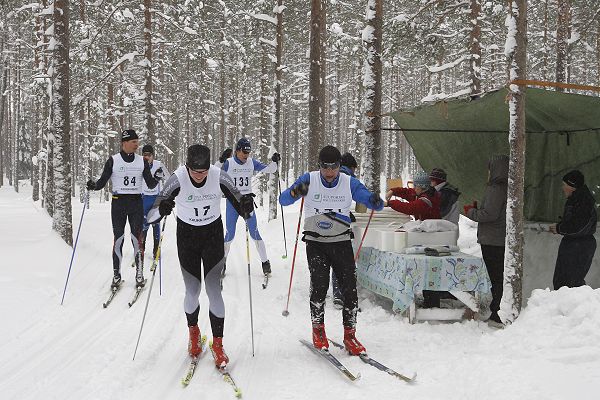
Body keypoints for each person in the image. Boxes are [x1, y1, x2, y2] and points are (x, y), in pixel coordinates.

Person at [146, 144, 254, 366]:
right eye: (195, 172)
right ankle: (193, 334)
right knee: (193, 290)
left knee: (214, 289)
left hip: (212, 234)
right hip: (187, 237)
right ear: (187, 167)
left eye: (204, 172)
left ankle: (218, 344)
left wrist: (246, 206)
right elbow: (151, 217)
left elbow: (242, 205)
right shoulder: (176, 178)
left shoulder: (219, 176)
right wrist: (163, 208)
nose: (200, 176)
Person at [279, 145, 384, 355]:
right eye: (325, 168)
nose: (329, 173)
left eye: (333, 168)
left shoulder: (348, 182)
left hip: (341, 241)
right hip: (316, 243)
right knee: (319, 286)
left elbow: (372, 202)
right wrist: (294, 191)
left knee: (350, 289)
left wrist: (374, 200)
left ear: (339, 166)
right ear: (320, 166)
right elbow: (284, 199)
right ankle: (318, 330)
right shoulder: (310, 179)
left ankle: (350, 335)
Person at [86, 129, 159, 288]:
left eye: (137, 141)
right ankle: (116, 275)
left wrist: (157, 177)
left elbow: (151, 184)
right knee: (118, 239)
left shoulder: (142, 161)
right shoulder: (113, 160)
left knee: (136, 239)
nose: (136, 145)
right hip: (118, 202)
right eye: (134, 142)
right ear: (124, 142)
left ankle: (139, 275)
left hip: (136, 203)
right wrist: (93, 186)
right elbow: (102, 182)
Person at [219, 138, 280, 277]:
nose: (246, 155)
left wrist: (275, 161)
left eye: (248, 152)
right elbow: (215, 174)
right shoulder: (229, 163)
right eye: (244, 152)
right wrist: (221, 160)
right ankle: (222, 264)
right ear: (237, 150)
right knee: (230, 233)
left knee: (255, 233)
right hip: (233, 202)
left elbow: (271, 169)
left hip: (247, 202)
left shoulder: (251, 162)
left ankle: (265, 264)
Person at [463, 155, 509, 326]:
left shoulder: (496, 188)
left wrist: (471, 212)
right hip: (497, 237)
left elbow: (489, 214)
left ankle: (498, 312)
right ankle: (499, 309)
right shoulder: (507, 187)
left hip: (492, 239)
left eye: (490, 169)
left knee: (495, 277)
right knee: (497, 276)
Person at [386, 173, 443, 308]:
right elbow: (408, 193)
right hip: (424, 236)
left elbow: (410, 208)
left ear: (422, 187)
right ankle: (428, 299)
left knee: (431, 268)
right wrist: (393, 191)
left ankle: (432, 303)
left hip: (433, 237)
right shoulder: (422, 193)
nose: (413, 188)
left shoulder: (427, 199)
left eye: (415, 185)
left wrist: (390, 203)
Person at [549, 170, 597, 290]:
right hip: (574, 244)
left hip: (579, 246)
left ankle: (575, 307)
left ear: (572, 187)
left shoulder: (583, 201)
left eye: (564, 185)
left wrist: (560, 228)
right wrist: (560, 227)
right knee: (563, 282)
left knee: (571, 284)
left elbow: (579, 226)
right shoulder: (577, 199)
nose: (563, 188)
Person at [331, 152, 359, 309]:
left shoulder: (328, 175)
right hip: (339, 222)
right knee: (340, 258)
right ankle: (339, 294)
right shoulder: (350, 179)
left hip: (320, 220)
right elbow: (360, 199)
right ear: (351, 167)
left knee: (324, 256)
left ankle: (316, 287)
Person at [141, 144, 170, 261]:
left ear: (153, 155)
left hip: (156, 198)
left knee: (156, 224)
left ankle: (155, 250)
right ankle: (141, 249)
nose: (146, 157)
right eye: (144, 155)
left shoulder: (159, 165)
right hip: (143, 198)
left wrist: (167, 196)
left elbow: (169, 178)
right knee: (144, 224)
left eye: (149, 155)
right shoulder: (140, 165)